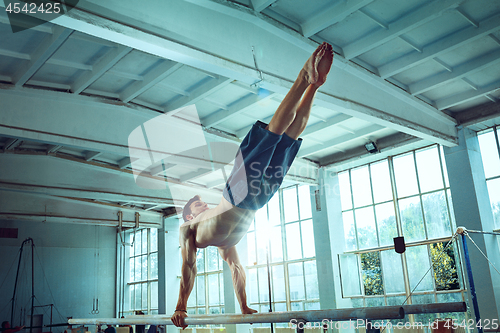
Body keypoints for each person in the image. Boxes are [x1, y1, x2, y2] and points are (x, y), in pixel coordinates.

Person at [171, 42, 334, 328]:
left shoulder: (218, 237)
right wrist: (181, 307)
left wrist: (244, 305)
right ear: (188, 215)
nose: (203, 204)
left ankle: (305, 80)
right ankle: (313, 85)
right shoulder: (192, 230)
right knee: (287, 138)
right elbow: (192, 267)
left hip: (240, 197)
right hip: (254, 199)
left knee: (276, 135)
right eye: (197, 204)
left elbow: (234, 270)